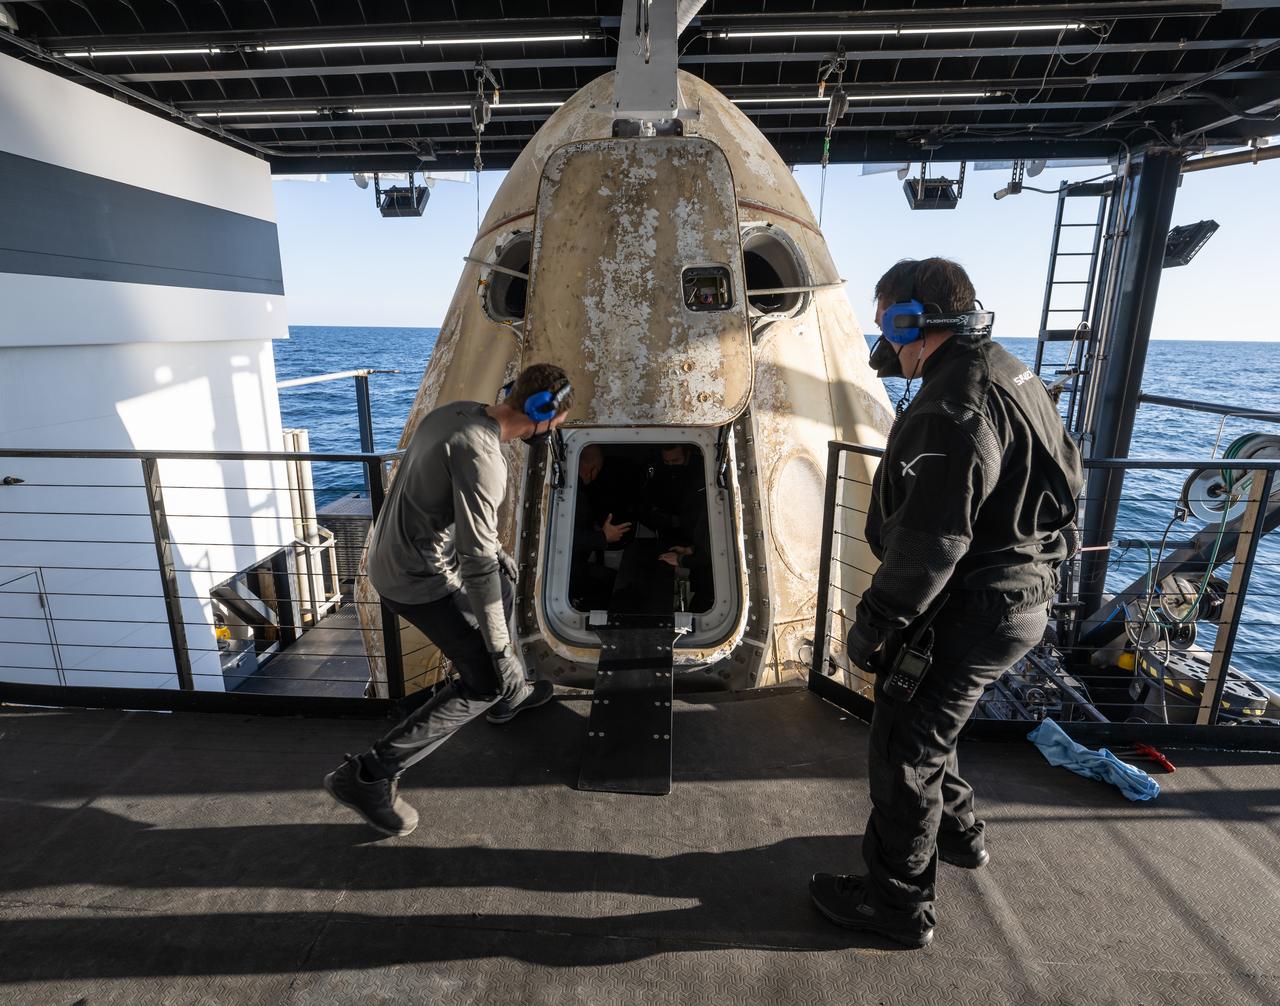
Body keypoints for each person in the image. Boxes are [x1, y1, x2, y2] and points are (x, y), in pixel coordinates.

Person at [809, 258, 1084, 948]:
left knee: (904, 745)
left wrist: (875, 624)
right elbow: (1067, 472)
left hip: (969, 607)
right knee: (936, 721)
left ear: (911, 320)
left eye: (887, 325)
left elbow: (932, 545)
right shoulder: (1007, 370)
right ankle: (960, 835)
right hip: (1022, 597)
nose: (884, 342)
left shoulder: (948, 409)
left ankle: (897, 902)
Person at [323, 363, 574, 837]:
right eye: (559, 421)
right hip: (418, 579)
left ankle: (512, 695)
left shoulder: (455, 413)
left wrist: (497, 554)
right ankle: (368, 776)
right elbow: (474, 560)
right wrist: (499, 646)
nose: (558, 429)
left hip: (395, 555)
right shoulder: (485, 457)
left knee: (501, 580)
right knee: (483, 676)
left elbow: (455, 513)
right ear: (543, 412)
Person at [569, 444, 633, 610]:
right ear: (593, 469)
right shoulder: (575, 493)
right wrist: (603, 537)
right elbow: (565, 537)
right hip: (569, 570)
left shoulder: (573, 489)